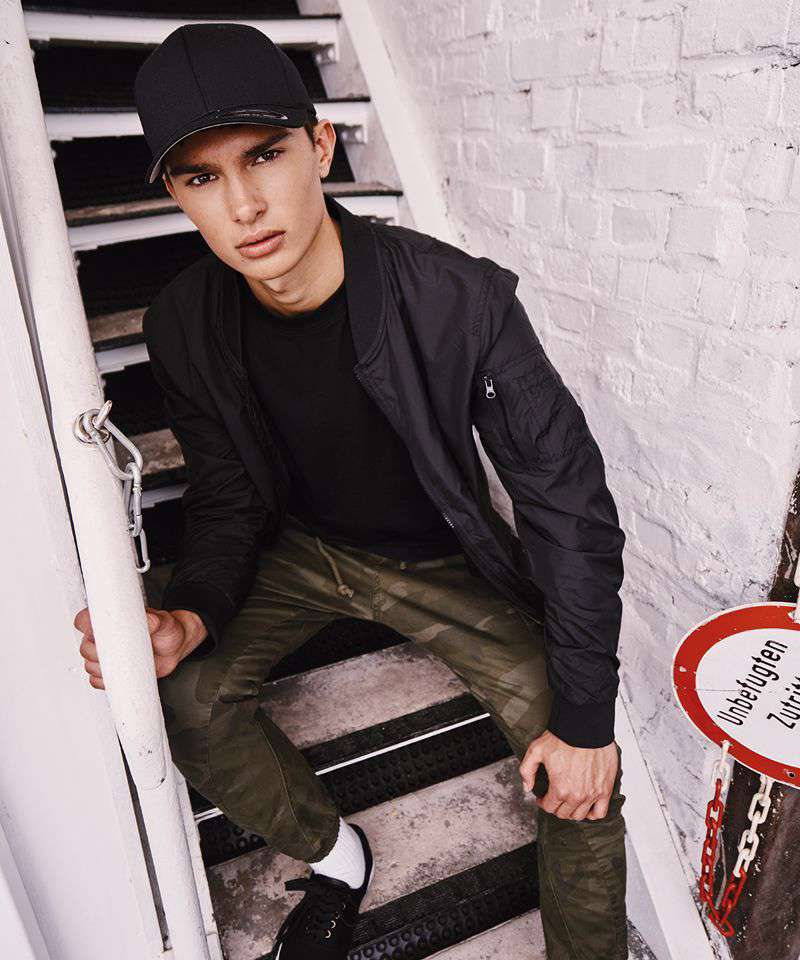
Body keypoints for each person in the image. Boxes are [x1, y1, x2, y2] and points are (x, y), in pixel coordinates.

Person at [74, 23, 628, 960]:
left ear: (322, 146)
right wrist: (196, 609)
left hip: (438, 560)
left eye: (265, 156)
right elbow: (225, 494)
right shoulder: (183, 323)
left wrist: (585, 721)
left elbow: (566, 503)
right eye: (202, 178)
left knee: (576, 758)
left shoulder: (459, 300)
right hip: (296, 548)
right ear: (174, 194)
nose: (244, 205)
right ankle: (336, 858)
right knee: (179, 695)